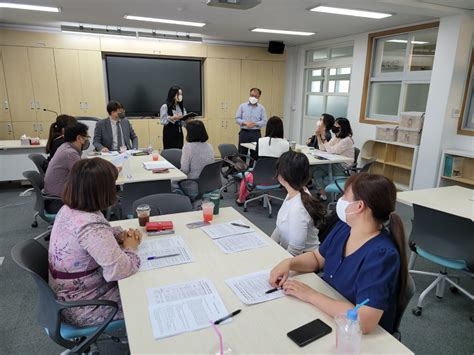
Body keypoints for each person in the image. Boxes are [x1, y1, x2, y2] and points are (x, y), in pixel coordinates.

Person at [269, 173, 408, 334]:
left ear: (359, 206)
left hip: (354, 334)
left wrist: (310, 295)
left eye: (345, 196)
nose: (341, 200)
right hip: (329, 313)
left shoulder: (381, 255)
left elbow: (364, 320)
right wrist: (289, 263)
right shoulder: (345, 228)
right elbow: (317, 258)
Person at [49, 158, 141, 327]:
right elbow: (120, 270)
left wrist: (117, 235)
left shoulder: (69, 209)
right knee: (146, 293)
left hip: (66, 296)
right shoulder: (90, 226)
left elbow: (92, 238)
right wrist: (130, 247)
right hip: (83, 305)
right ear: (103, 190)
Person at [271, 151, 326, 256]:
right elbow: (279, 228)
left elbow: (295, 252)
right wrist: (269, 246)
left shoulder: (298, 208)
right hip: (288, 253)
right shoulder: (296, 192)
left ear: (282, 176)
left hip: (302, 259)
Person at [236, 116, 289, 205]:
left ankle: (240, 200)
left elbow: (256, 158)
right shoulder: (286, 144)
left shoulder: (260, 141)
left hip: (258, 177)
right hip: (277, 178)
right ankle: (267, 194)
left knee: (247, 175)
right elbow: (287, 162)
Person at [44, 122, 90, 212]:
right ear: (79, 138)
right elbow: (85, 176)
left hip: (54, 195)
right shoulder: (70, 153)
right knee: (96, 191)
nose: (87, 140)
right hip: (59, 201)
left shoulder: (65, 147)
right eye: (86, 138)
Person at [312, 117, 355, 201]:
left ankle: (301, 187)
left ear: (342, 127)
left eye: (336, 124)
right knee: (317, 173)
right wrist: (318, 136)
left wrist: (324, 138)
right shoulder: (337, 137)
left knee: (314, 167)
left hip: (343, 168)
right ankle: (323, 195)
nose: (334, 126)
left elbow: (331, 151)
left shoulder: (347, 140)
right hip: (335, 163)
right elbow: (323, 149)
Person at [177, 120, 215, 197]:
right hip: (209, 185)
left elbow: (184, 170)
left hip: (193, 185)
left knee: (170, 184)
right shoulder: (209, 146)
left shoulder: (188, 147)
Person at [236, 88, 267, 157]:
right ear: (249, 95)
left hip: (255, 134)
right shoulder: (242, 106)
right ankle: (242, 168)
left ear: (259, 97)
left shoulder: (261, 108)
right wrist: (244, 123)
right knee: (242, 154)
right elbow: (237, 119)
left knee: (255, 154)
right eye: (251, 95)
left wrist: (255, 123)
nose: (253, 97)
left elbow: (264, 121)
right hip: (244, 133)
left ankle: (253, 167)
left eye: (255, 96)